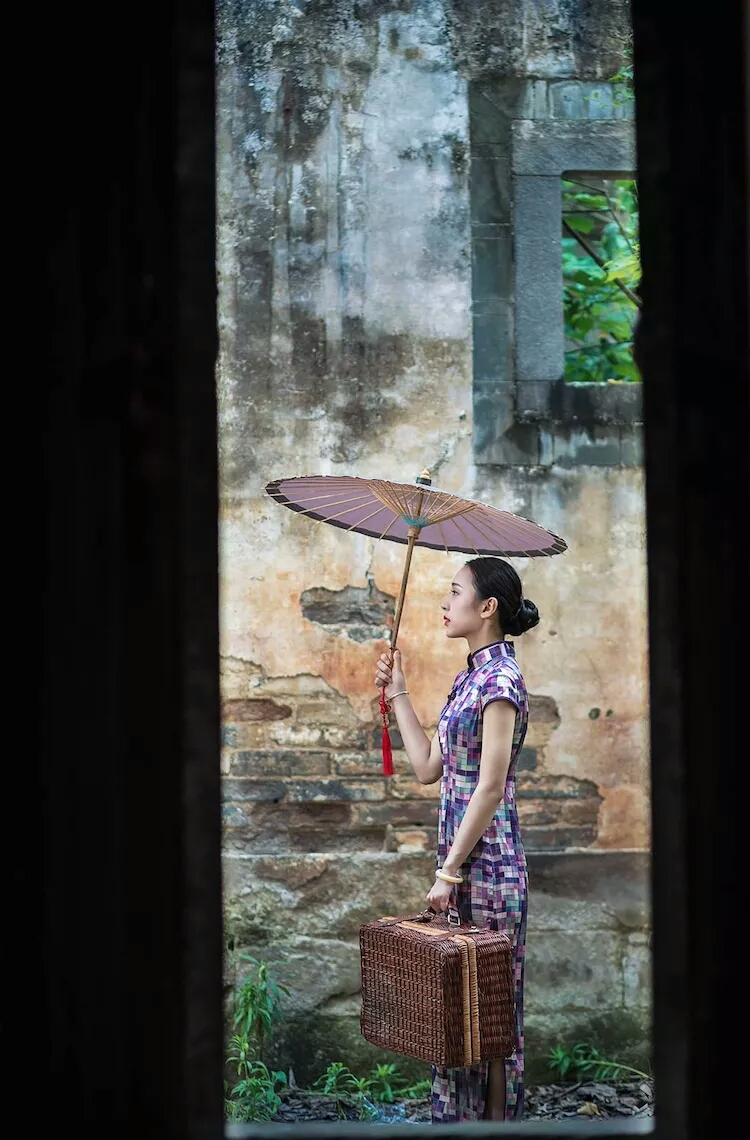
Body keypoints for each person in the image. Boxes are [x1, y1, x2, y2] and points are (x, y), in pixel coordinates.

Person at [375, 555, 538, 1123]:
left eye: (454, 592)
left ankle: (495, 1129)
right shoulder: (469, 678)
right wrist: (398, 692)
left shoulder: (501, 681)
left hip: (489, 867)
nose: (445, 604)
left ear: (487, 607)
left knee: (487, 1013)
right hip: (463, 862)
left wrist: (449, 871)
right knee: (457, 1012)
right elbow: (426, 767)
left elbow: (490, 787)